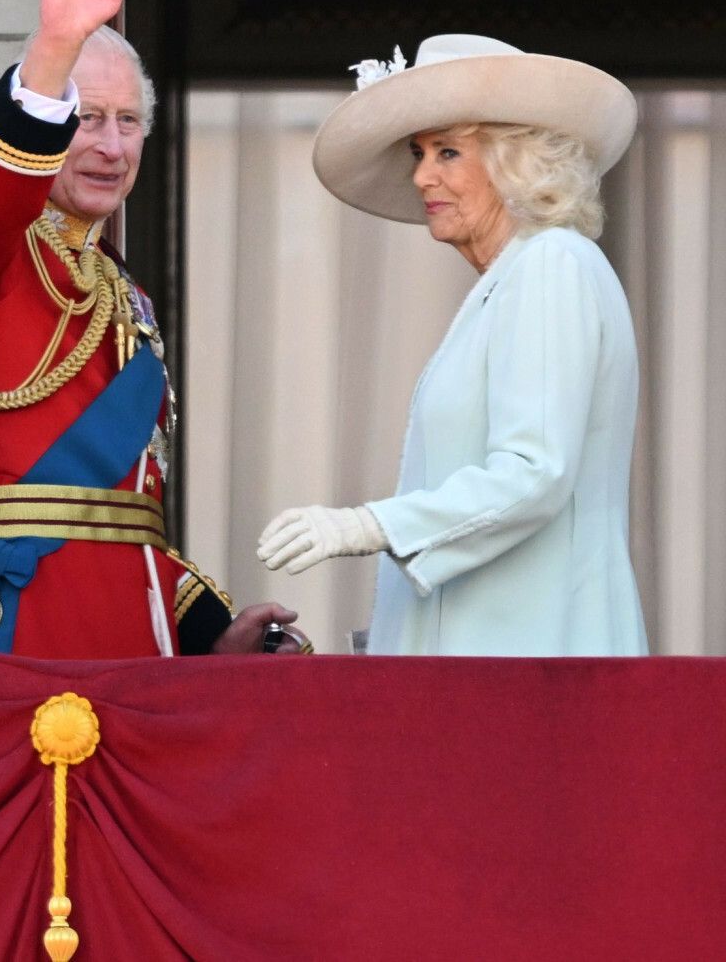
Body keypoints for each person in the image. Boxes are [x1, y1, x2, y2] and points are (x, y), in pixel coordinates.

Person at [0, 0, 299, 657]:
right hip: (0, 636)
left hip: (130, 651)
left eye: (129, 121)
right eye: (86, 120)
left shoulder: (122, 298)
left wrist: (210, 634)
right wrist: (52, 52)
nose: (112, 146)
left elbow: (124, 522)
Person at [257, 35, 647, 655]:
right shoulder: (512, 279)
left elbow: (533, 472)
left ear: (514, 162)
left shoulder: (551, 265)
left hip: (537, 662)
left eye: (448, 152)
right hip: (499, 661)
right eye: (419, 152)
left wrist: (370, 524)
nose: (421, 175)